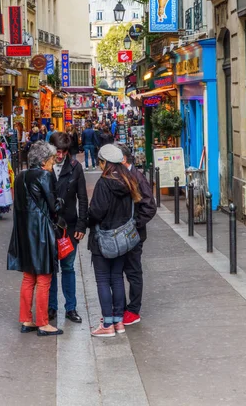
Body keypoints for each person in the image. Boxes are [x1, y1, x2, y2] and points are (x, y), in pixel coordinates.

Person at [7, 141, 64, 336]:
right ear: (45, 161)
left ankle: (26, 319)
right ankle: (42, 322)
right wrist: (61, 201)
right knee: (44, 278)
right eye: (51, 160)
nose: (52, 164)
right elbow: (53, 206)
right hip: (41, 231)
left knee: (28, 277)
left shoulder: (21, 176)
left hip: (23, 230)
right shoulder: (44, 175)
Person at [87, 144, 141, 338]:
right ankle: (118, 321)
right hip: (122, 238)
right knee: (117, 278)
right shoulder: (128, 180)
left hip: (104, 238)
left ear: (105, 162)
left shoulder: (104, 183)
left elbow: (97, 212)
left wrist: (88, 217)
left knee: (103, 279)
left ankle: (107, 323)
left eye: (100, 162)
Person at [48, 132, 88, 323]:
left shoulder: (75, 168)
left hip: (69, 227)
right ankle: (51, 307)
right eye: (57, 151)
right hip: (47, 226)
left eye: (63, 151)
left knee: (68, 267)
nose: (60, 155)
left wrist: (82, 224)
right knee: (50, 269)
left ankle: (70, 308)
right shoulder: (44, 168)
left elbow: (83, 197)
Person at [118, 144, 156, 325]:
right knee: (122, 270)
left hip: (133, 235)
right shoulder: (124, 175)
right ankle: (124, 308)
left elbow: (150, 206)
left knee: (133, 271)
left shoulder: (136, 177)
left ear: (123, 159)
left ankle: (133, 310)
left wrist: (135, 224)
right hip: (123, 235)